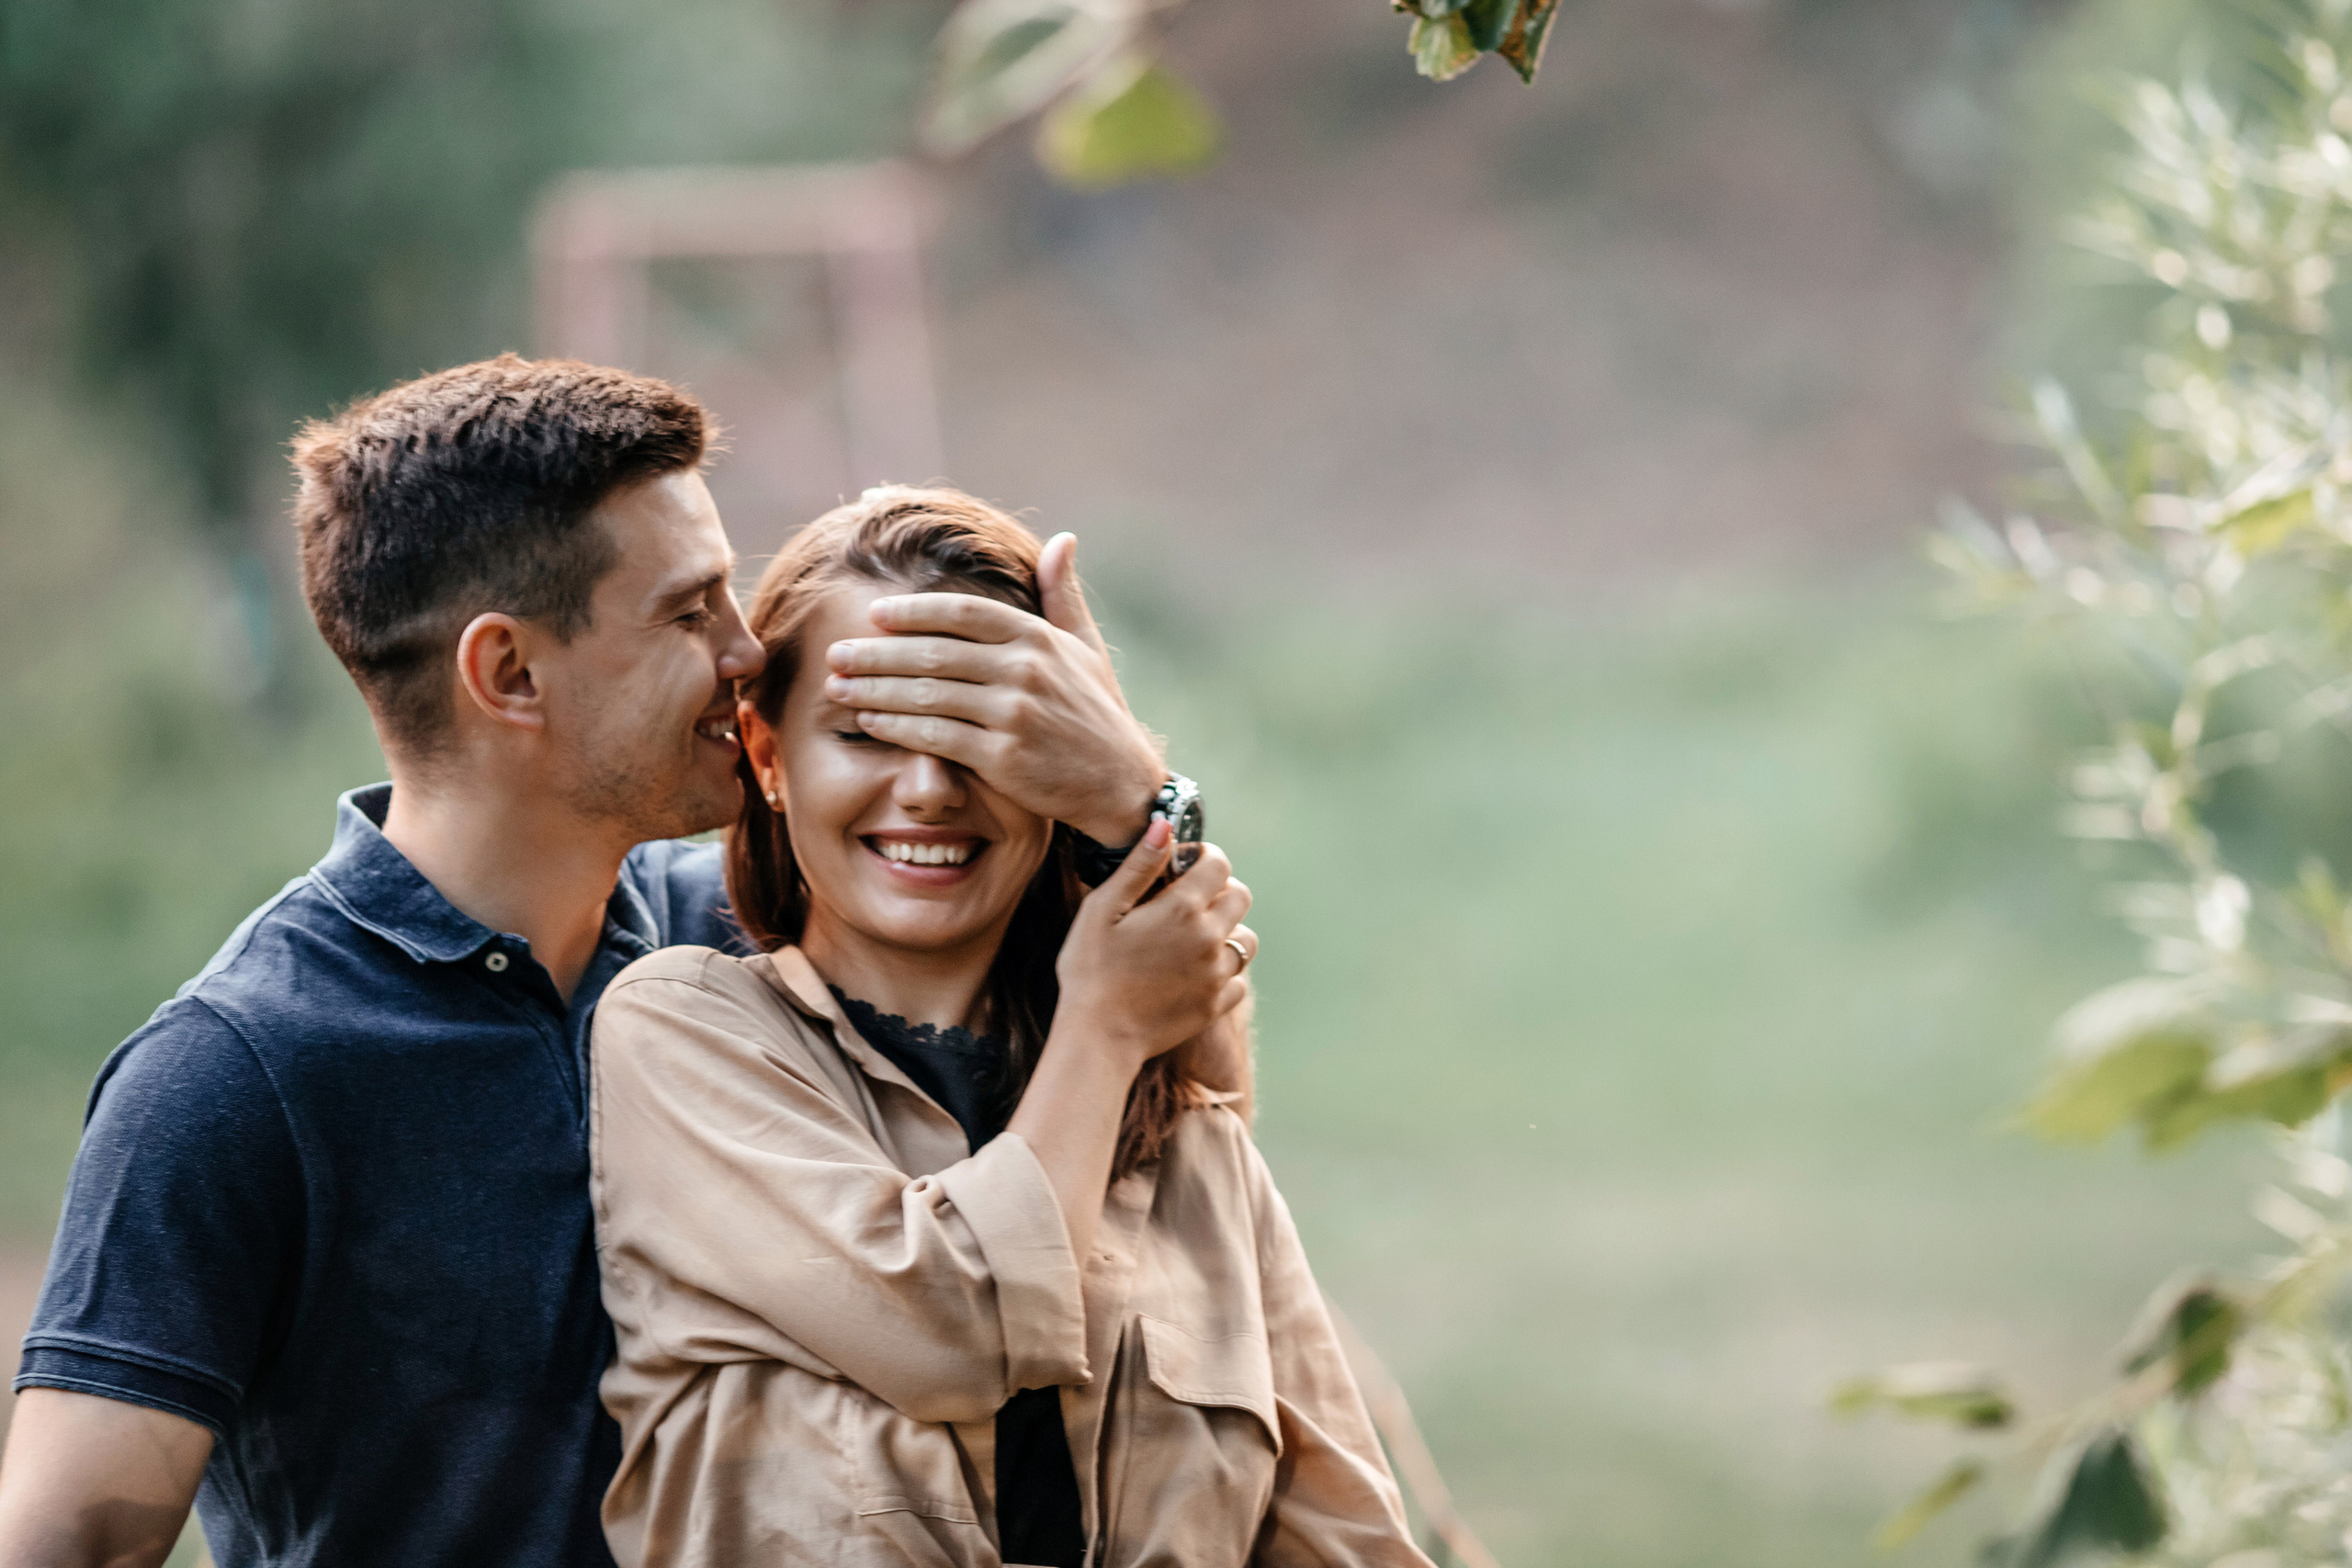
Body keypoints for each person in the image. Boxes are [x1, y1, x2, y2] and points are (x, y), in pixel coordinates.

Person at [0, 357, 1244, 1568]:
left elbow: (1181, 1083)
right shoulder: (237, 1073)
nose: (748, 649)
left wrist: (1136, 790)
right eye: (690, 608)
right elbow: (72, 1534)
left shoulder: (747, 932)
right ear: (511, 672)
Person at [590, 487, 1430, 1568]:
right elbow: (950, 1327)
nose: (929, 788)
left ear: (1057, 771)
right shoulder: (682, 1036)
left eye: (982, 739)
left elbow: (1347, 1542)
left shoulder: (1187, 1145)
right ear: (765, 754)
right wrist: (1109, 1020)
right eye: (866, 733)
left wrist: (1134, 800)